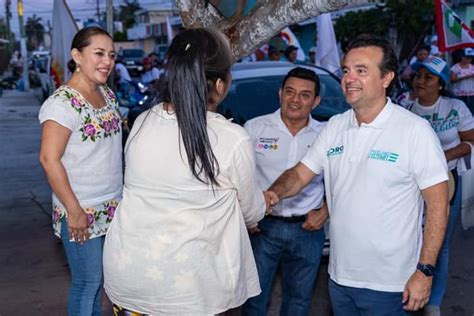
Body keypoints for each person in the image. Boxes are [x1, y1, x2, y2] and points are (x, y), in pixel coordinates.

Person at [264, 34, 450, 315]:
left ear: (386, 78)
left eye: (361, 71)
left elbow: (438, 206)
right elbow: (300, 174)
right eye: (347, 70)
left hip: (392, 284)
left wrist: (424, 271)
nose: (349, 78)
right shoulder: (335, 126)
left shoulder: (414, 131)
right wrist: (272, 194)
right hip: (340, 279)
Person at [103, 27, 266, 315]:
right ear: (219, 85)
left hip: (131, 277)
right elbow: (251, 212)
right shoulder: (231, 138)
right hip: (191, 289)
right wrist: (268, 199)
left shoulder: (142, 123)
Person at [38, 27, 122, 315]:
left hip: (112, 206)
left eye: (111, 55)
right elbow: (49, 159)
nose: (107, 61)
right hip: (80, 210)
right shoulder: (61, 104)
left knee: (102, 285)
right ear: (76, 55)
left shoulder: (107, 94)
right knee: (87, 283)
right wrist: (74, 211)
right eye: (98, 53)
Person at [242, 67, 328, 316]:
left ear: (316, 101)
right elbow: (241, 179)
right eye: (290, 92)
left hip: (308, 230)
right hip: (262, 228)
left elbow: (340, 181)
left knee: (299, 301)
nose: (295, 100)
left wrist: (326, 211)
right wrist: (248, 216)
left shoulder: (325, 134)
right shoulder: (254, 128)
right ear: (280, 94)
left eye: (304, 95)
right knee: (254, 300)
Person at [408, 56, 474, 316]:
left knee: (440, 243)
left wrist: (440, 158)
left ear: (441, 84)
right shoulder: (404, 107)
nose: (420, 81)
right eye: (418, 76)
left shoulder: (455, 107)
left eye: (428, 77)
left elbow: (470, 141)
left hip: (448, 183)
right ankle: (409, 292)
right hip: (411, 187)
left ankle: (433, 302)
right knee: (410, 239)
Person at [450, 48, 474, 114]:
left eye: (470, 58)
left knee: (471, 111)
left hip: (471, 93)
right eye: (467, 58)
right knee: (460, 111)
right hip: (459, 93)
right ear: (462, 57)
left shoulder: (472, 67)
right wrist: (465, 77)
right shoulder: (455, 67)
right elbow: (452, 80)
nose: (468, 60)